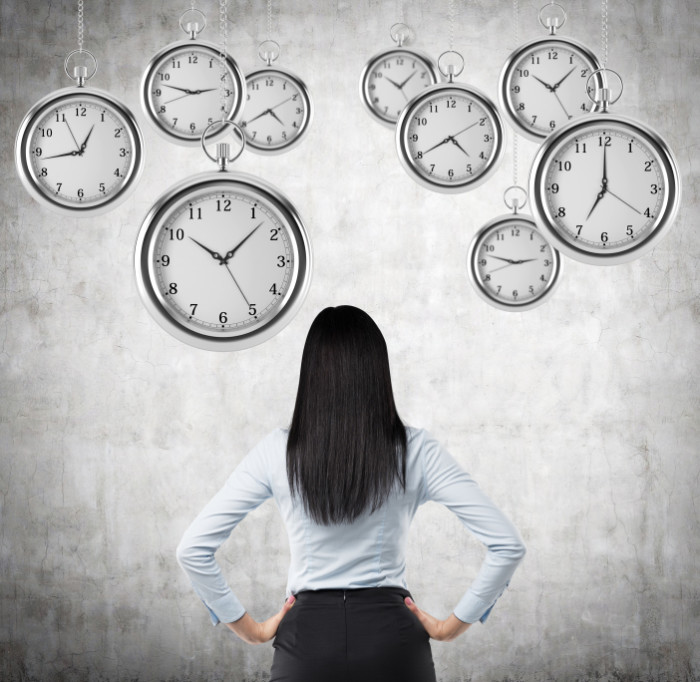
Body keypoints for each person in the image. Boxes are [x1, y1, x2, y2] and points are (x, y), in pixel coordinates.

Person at [176, 305, 526, 682]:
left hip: (306, 643)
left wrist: (250, 630)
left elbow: (192, 549)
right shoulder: (418, 450)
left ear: (311, 374)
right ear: (377, 372)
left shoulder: (277, 451)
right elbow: (508, 544)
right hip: (392, 639)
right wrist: (453, 626)